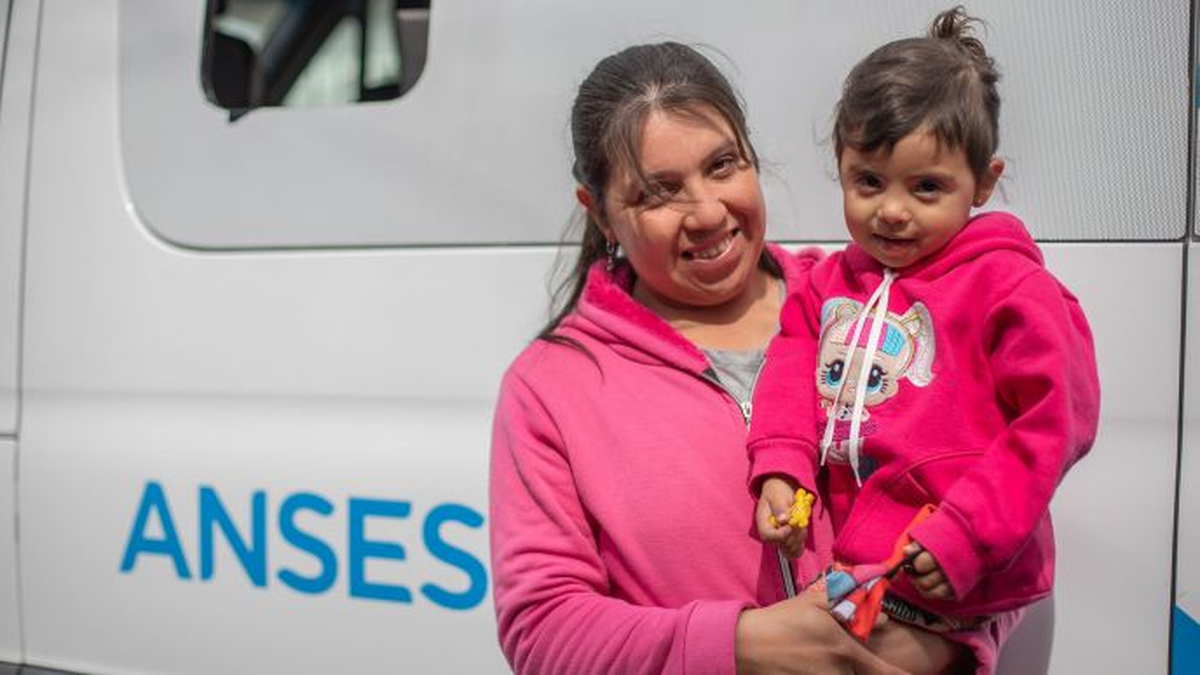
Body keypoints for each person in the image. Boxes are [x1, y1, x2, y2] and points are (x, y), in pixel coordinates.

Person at [489, 41, 973, 674]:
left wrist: (947, 647)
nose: (709, 212)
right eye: (659, 193)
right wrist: (745, 645)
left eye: (723, 166)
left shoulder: (873, 308)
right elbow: (544, 631)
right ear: (601, 213)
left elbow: (998, 501)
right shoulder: (552, 385)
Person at [749, 7, 1101, 674]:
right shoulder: (829, 283)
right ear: (841, 167)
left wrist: (967, 532)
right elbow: (791, 367)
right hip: (853, 569)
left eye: (927, 187)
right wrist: (779, 469)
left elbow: (1054, 421)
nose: (892, 209)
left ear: (984, 183)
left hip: (955, 576)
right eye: (869, 182)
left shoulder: (1009, 286)